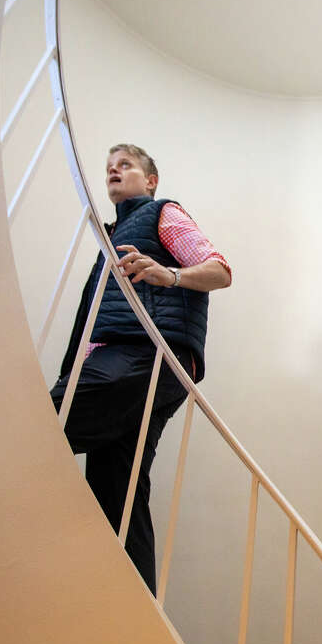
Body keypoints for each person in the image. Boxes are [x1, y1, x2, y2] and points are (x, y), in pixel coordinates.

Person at [50, 143, 231, 594]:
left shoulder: (161, 214)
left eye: (125, 165)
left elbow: (218, 270)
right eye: (109, 167)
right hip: (136, 365)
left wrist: (168, 275)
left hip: (148, 356)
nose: (113, 171)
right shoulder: (111, 238)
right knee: (118, 497)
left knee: (41, 421)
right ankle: (138, 615)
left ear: (150, 180)